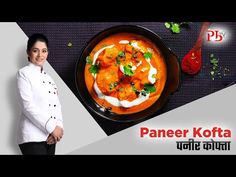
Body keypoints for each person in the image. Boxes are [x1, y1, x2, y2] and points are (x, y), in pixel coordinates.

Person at [16, 33, 64, 155]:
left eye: (44, 51)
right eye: (35, 50)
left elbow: (56, 106)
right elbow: (27, 105)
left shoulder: (50, 78)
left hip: (50, 137)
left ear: (47, 53)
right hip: (32, 136)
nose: (40, 55)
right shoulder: (23, 73)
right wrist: (52, 127)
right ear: (28, 52)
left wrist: (59, 129)